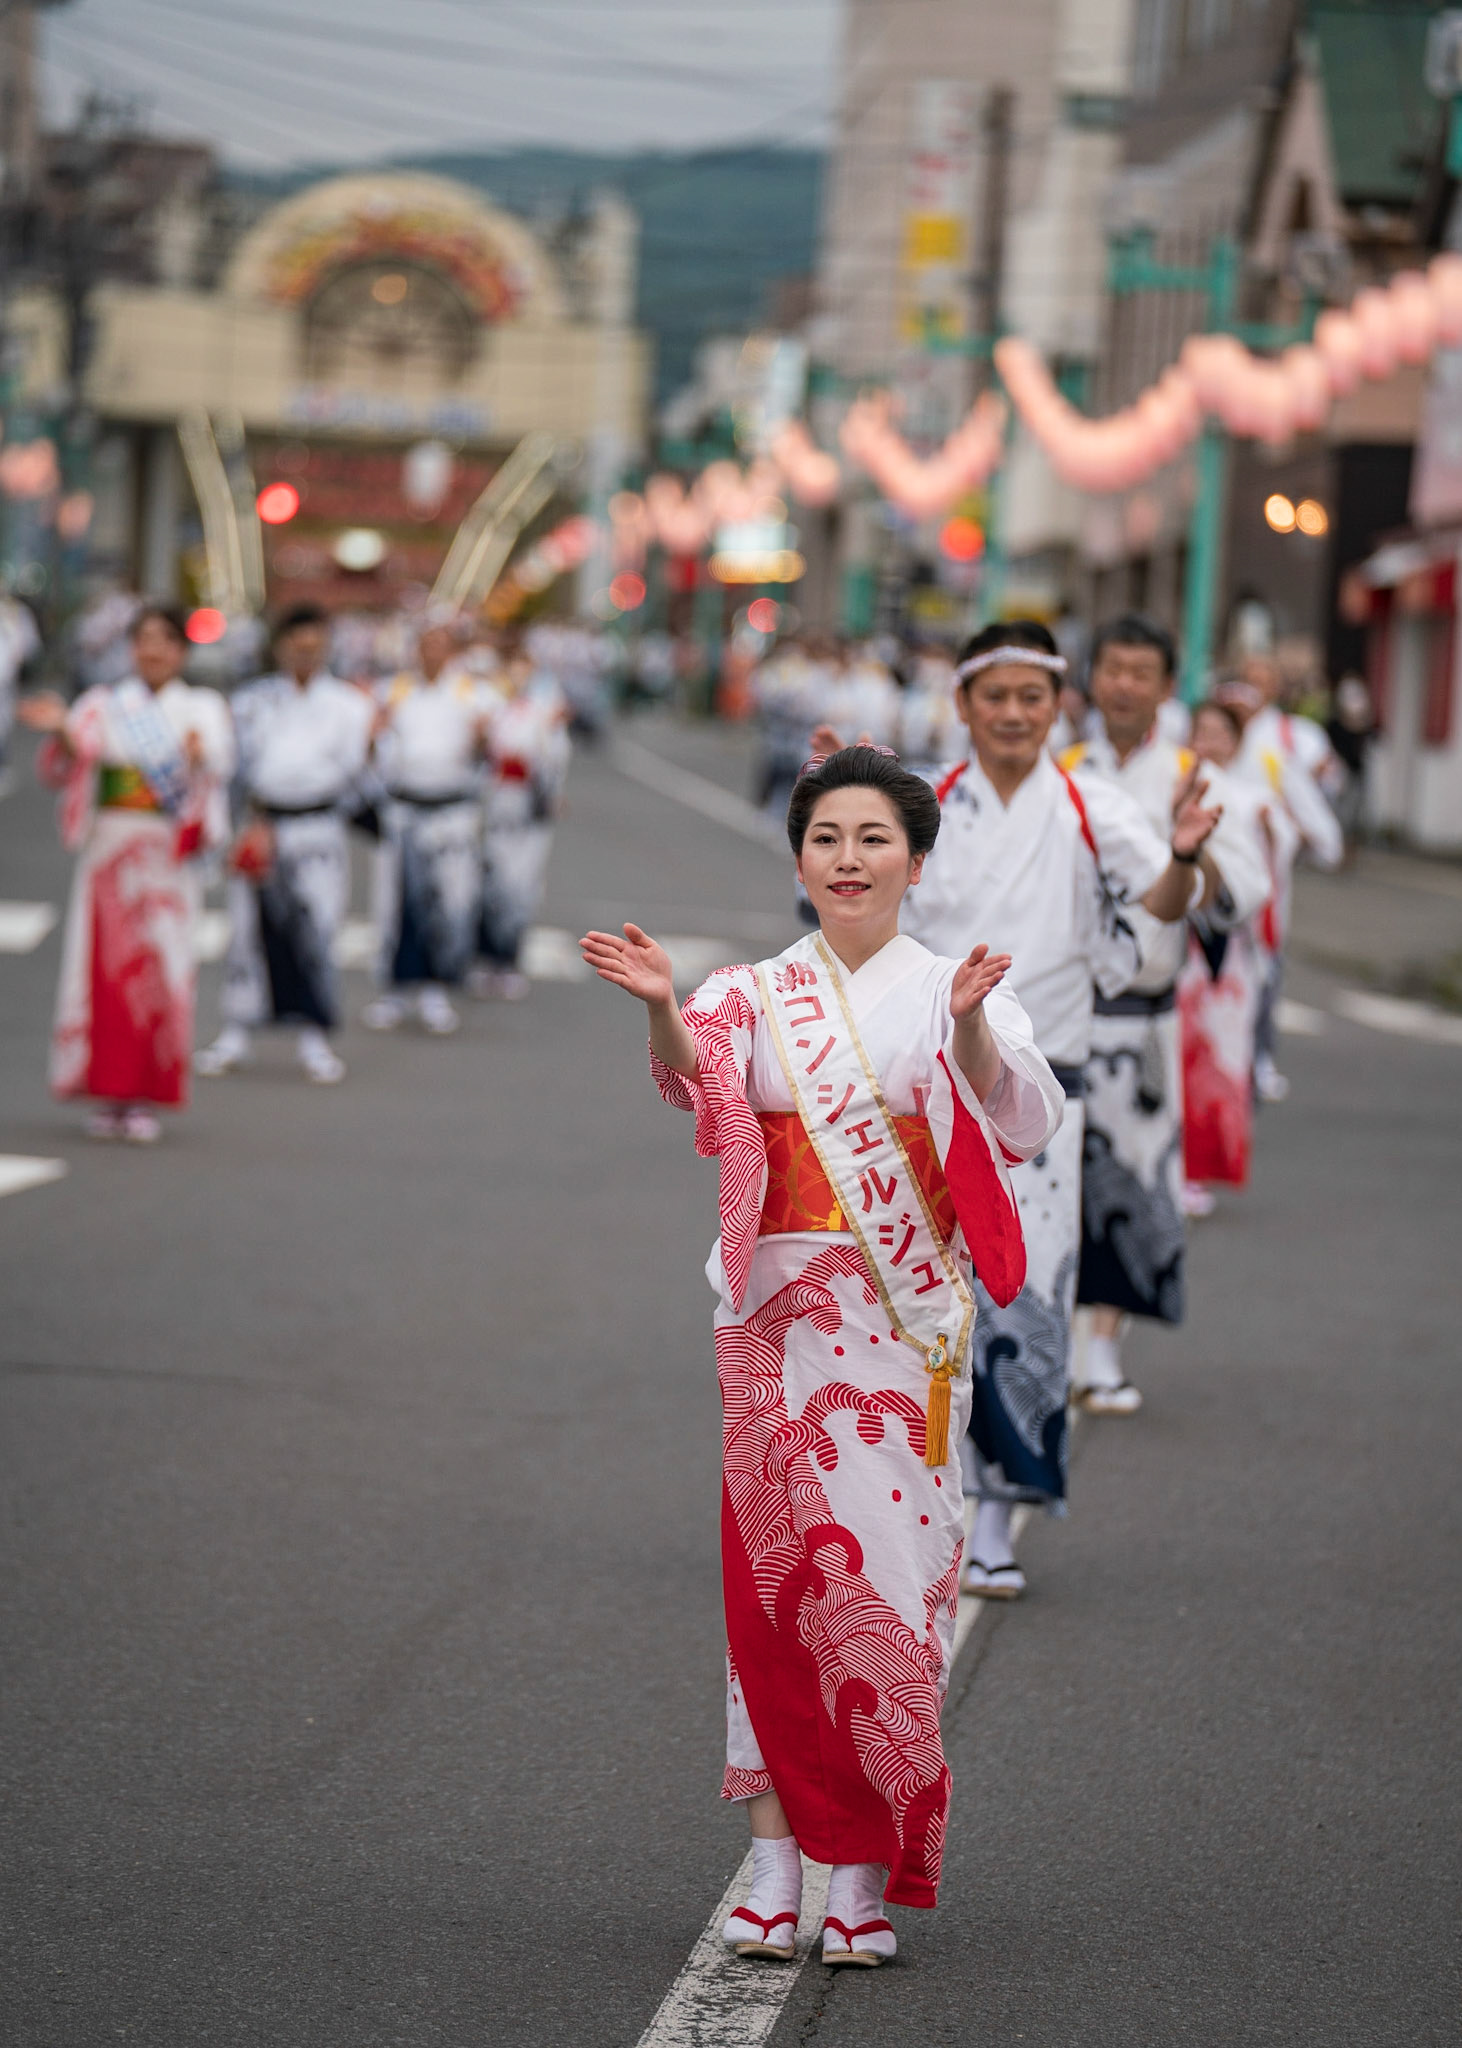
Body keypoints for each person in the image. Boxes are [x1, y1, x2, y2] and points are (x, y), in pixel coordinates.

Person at [582, 746, 1062, 1965]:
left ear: (914, 854)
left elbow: (1020, 1116)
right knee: (774, 1592)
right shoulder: (752, 988)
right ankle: (771, 1857)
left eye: (872, 839)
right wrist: (658, 1004)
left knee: (888, 1593)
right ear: (797, 855)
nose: (848, 861)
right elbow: (701, 1087)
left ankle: (858, 1868)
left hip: (899, 1330)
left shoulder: (958, 986)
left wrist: (966, 1039)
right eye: (826, 839)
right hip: (774, 1323)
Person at [893, 620, 1220, 1597]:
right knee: (914, 1305)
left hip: (1040, 1100)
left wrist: (1183, 859)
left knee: (1023, 1302)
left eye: (1030, 696)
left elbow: (1159, 902)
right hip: (924, 1089)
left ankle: (996, 1520)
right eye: (992, 694)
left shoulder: (1091, 806)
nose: (1011, 713)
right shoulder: (925, 804)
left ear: (1055, 705)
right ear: (962, 704)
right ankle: (913, 1514)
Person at [1059, 616, 1268, 1410]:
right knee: (1054, 1183)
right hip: (1060, 1011)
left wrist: (1195, 846)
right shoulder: (1059, 768)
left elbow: (1245, 894)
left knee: (1132, 1183)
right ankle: (1058, 1342)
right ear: (1092, 676)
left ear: (1164, 685)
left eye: (1141, 672)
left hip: (1142, 1018)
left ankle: (1102, 1348)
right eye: (1112, 668)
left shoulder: (1195, 776)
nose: (1123, 685)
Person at [18, 604, 233, 1142]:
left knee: (161, 971)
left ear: (182, 651)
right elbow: (72, 764)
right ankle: (107, 1090)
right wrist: (64, 734)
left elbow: (220, 765)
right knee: (103, 971)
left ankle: (146, 1094)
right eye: (143, 640)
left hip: (165, 856)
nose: (152, 651)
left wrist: (200, 755)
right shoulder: (103, 704)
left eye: (164, 640)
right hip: (111, 850)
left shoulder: (202, 707)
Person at [196, 605, 373, 1086]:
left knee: (318, 928)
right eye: (296, 642)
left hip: (319, 827)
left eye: (314, 643)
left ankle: (314, 1034)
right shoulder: (252, 701)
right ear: (280, 646)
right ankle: (236, 1029)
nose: (305, 651)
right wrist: (233, 829)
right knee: (246, 931)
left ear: (327, 647)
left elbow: (362, 777)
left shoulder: (350, 705)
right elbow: (232, 772)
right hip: (264, 826)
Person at [363, 617, 492, 1038]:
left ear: (452, 651)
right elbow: (377, 749)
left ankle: (436, 988)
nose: (432, 652)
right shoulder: (395, 691)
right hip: (405, 809)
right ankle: (396, 989)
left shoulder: (473, 694)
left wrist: (481, 742)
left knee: (448, 900)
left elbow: (490, 753)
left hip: (451, 811)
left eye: (440, 645)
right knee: (394, 901)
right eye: (425, 644)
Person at [1220, 671, 1343, 1102]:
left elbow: (1327, 844)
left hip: (1259, 919)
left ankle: (1255, 1065)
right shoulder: (1183, 769)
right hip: (1201, 924)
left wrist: (1283, 832)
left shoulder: (1275, 760)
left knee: (1256, 991)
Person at [1177, 699, 1274, 1204]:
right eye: (1202, 729)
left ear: (1237, 743)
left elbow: (1260, 879)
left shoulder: (1252, 798)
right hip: (1183, 943)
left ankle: (1200, 1168)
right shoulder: (1174, 782)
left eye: (1220, 732)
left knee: (1216, 1062)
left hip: (1228, 949)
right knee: (1177, 1058)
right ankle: (1175, 1166)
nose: (1209, 741)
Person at [470, 634, 570, 1002]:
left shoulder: (545, 711)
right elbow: (477, 757)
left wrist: (552, 792)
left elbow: (554, 758)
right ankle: (484, 956)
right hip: (494, 804)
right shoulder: (489, 706)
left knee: (521, 887)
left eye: (523, 667)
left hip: (529, 809)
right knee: (489, 882)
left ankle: (508, 959)